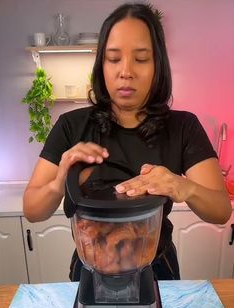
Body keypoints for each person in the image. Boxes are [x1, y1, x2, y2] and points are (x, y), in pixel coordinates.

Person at [23, 3, 231, 281]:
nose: (126, 71)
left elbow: (221, 210)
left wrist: (183, 186)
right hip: (90, 268)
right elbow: (33, 210)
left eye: (142, 59)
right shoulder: (72, 126)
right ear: (101, 64)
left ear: (158, 65)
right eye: (113, 58)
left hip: (157, 271)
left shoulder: (183, 127)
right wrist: (62, 178)